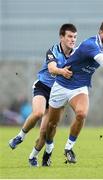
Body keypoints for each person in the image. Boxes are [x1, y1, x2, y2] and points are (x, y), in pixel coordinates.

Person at [39, 19, 103, 166]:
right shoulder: (90, 45)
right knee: (52, 124)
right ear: (100, 33)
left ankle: (68, 149)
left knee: (82, 113)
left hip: (79, 87)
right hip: (62, 85)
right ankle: (48, 150)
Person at [8, 23, 77, 167]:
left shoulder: (76, 54)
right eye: (70, 36)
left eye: (75, 37)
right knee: (38, 113)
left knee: (45, 132)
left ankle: (33, 156)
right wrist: (62, 71)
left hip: (59, 93)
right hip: (43, 87)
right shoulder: (53, 50)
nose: (73, 40)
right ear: (61, 37)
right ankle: (20, 136)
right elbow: (52, 69)